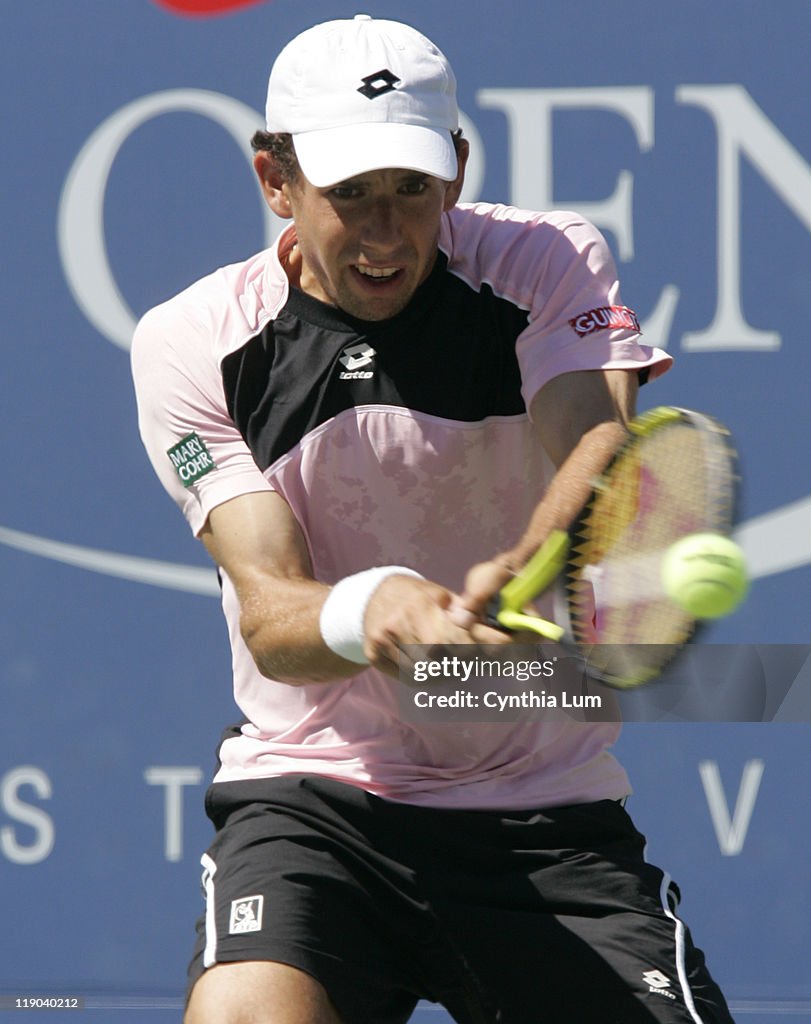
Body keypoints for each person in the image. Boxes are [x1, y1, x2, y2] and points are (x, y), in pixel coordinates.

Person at [131, 14, 735, 1024]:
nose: (384, 230)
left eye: (412, 189)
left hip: (543, 813)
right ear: (274, 180)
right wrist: (376, 608)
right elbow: (273, 616)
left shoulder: (543, 259)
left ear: (454, 170)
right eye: (349, 194)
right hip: (314, 802)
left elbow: (595, 438)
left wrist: (533, 561)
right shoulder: (194, 341)